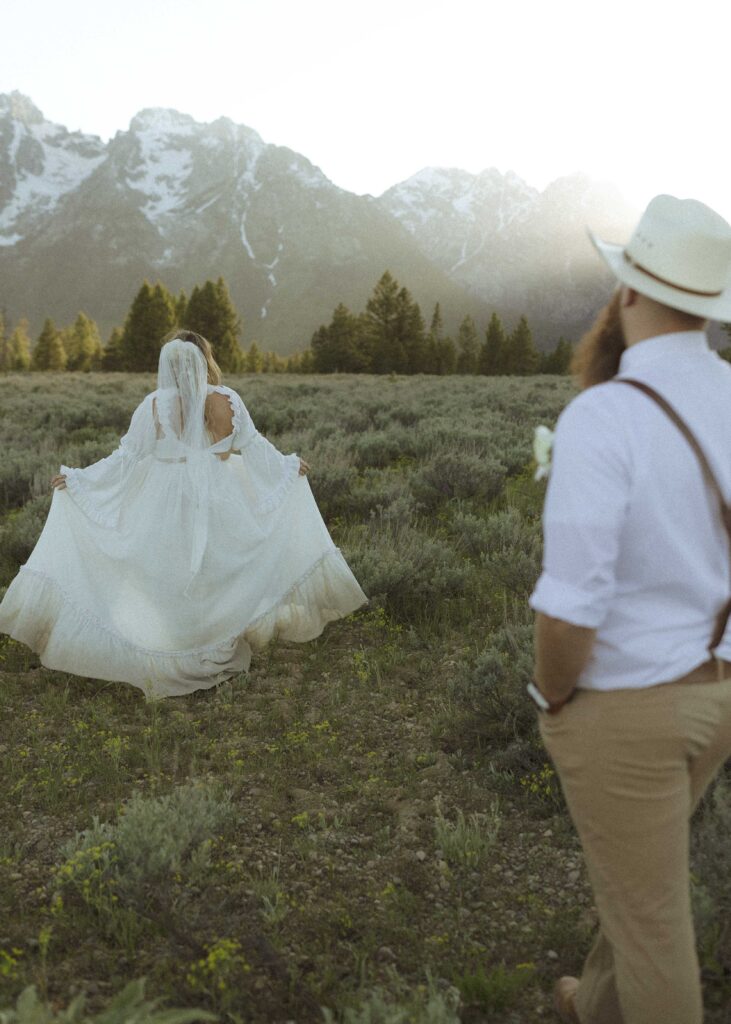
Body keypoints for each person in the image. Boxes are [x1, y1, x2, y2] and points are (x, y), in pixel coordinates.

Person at [528, 195, 731, 1023]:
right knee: (640, 876)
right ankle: (596, 1005)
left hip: (624, 709)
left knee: (652, 926)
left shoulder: (603, 416)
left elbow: (571, 608)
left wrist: (552, 698)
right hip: (717, 691)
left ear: (628, 295)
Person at [0, 330, 367, 698]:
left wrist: (81, 480)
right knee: (213, 570)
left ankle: (175, 644)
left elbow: (127, 457)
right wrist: (287, 468)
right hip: (220, 496)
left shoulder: (155, 405)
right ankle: (212, 644)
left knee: (168, 570)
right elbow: (253, 447)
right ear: (204, 358)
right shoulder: (228, 400)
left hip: (164, 497)